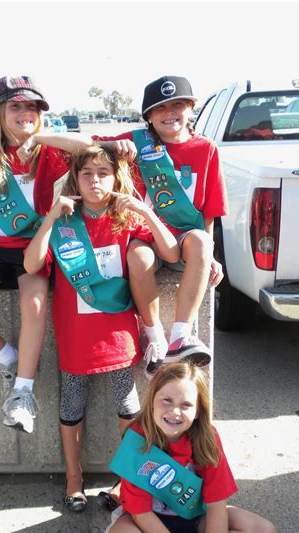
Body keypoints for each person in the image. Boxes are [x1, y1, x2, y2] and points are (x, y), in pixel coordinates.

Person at [24, 145, 179, 511]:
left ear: (116, 178)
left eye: (104, 173)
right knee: (71, 407)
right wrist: (48, 220)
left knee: (128, 407)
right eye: (87, 173)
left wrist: (145, 211)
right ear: (75, 179)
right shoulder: (64, 224)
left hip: (119, 338)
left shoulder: (126, 217)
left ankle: (127, 482)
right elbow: (31, 265)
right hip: (76, 338)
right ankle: (73, 479)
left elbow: (171, 253)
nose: (96, 180)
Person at [0, 75, 92, 433]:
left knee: (35, 302)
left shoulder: (50, 153)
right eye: (16, 106)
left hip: (34, 247)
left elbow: (87, 144)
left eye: (32, 107)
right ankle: (8, 357)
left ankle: (23, 392)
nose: (25, 113)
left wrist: (37, 137)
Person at [103, 362, 276, 533]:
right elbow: (142, 514)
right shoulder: (136, 440)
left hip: (196, 519)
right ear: (151, 402)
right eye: (166, 401)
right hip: (147, 525)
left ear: (198, 411)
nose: (174, 411)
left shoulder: (207, 438)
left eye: (186, 405)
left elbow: (217, 507)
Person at [96, 75, 228, 373]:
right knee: (137, 256)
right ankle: (154, 338)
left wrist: (210, 256)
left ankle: (181, 336)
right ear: (149, 117)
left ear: (191, 108)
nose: (169, 113)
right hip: (146, 238)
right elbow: (79, 147)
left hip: (184, 242)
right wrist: (114, 144)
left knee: (200, 242)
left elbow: (210, 210)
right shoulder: (134, 143)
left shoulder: (206, 149)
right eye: (160, 108)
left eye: (177, 104)